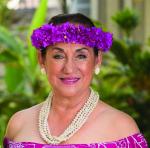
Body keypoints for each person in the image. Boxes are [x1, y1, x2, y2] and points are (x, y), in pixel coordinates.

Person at [3, 13, 148, 147]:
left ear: (97, 60)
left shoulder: (122, 128)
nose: (69, 68)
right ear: (41, 59)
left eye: (81, 56)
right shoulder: (19, 123)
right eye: (58, 56)